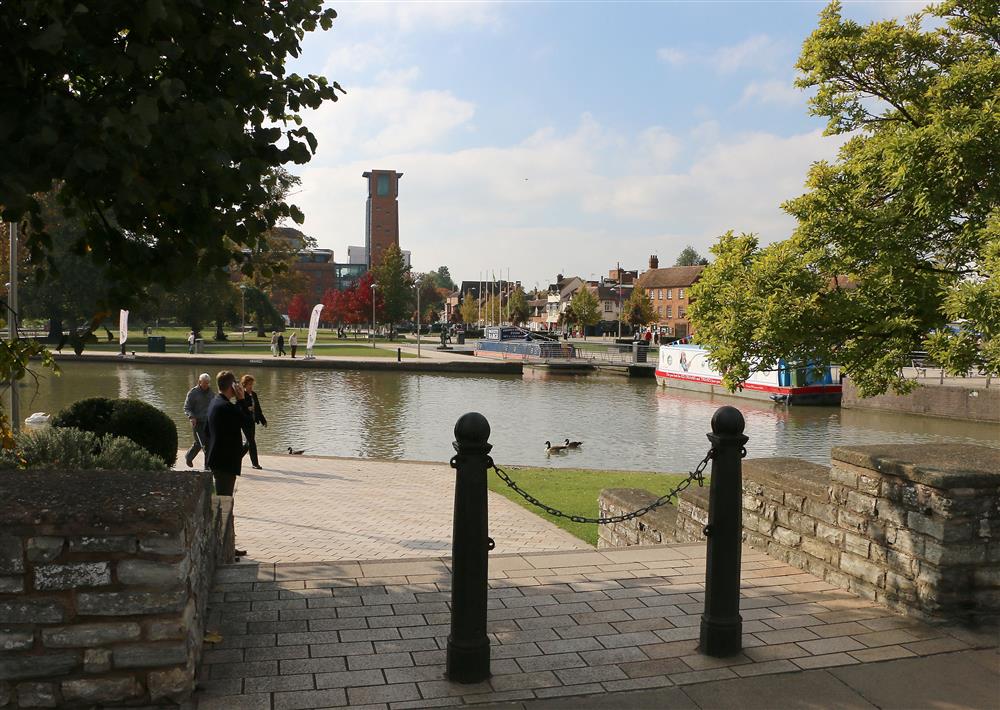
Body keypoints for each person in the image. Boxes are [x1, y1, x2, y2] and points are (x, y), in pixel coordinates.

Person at [205, 371, 253, 557]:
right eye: (235, 384)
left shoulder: (215, 403)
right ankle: (224, 549)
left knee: (224, 504)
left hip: (219, 461)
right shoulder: (226, 407)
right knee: (225, 505)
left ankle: (227, 546)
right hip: (225, 464)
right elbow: (248, 423)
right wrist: (242, 399)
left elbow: (206, 430)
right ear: (232, 386)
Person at [182, 373, 213, 467]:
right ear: (199, 382)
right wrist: (191, 417)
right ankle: (189, 457)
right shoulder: (193, 393)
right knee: (200, 443)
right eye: (204, 383)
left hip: (208, 422)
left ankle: (207, 467)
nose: (206, 385)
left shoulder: (211, 393)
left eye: (208, 383)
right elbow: (187, 407)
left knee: (209, 444)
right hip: (197, 421)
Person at [240, 374, 267, 470]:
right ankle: (255, 463)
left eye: (252, 384)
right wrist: (247, 408)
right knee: (252, 442)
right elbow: (238, 407)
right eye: (249, 384)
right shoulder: (241, 395)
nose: (251, 386)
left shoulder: (254, 394)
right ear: (244, 385)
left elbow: (258, 408)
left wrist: (263, 420)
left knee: (248, 443)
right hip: (244, 422)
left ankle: (236, 458)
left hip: (252, 421)